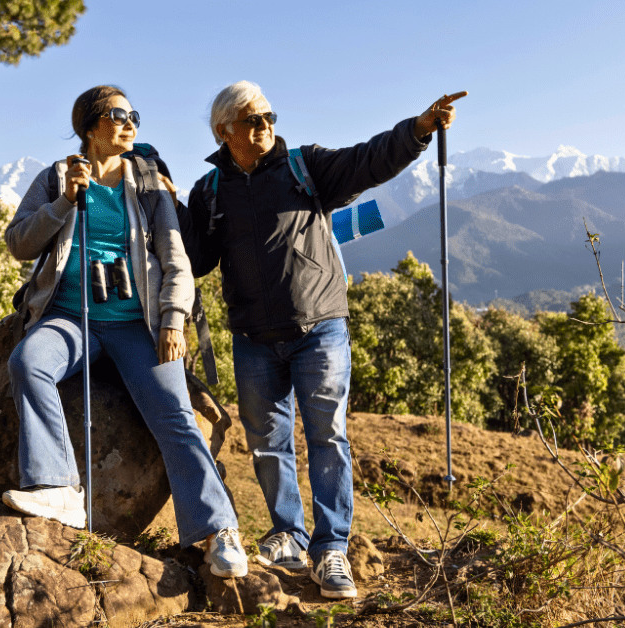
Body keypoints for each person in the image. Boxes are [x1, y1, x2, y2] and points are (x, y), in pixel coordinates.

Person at [180, 81, 466, 598]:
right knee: (268, 444)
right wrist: (166, 203)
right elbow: (197, 260)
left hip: (320, 329)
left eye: (268, 114)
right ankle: (287, 534)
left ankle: (331, 548)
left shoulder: (304, 165)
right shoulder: (210, 191)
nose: (265, 124)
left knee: (328, 438)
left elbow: (368, 161)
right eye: (252, 119)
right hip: (252, 336)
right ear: (225, 132)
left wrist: (418, 130)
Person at [1, 85, 247, 578]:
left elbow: (175, 257)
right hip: (69, 319)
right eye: (117, 114)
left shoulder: (149, 182)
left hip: (137, 323)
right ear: (90, 127)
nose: (130, 121)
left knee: (175, 416)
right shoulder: (57, 178)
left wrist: (173, 318)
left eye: (133, 113)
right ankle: (57, 488)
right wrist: (66, 203)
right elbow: (18, 244)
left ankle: (219, 531)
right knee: (27, 363)